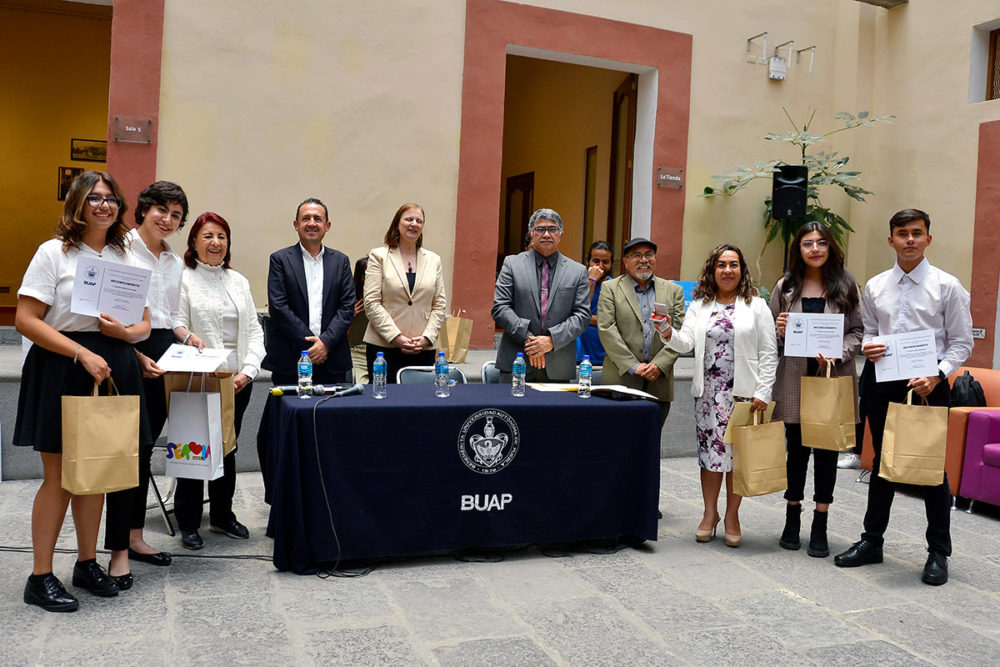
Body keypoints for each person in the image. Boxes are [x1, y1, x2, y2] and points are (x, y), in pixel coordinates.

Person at [15, 170, 153, 611]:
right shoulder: (53, 253)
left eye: (111, 198)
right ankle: (40, 577)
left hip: (113, 367)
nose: (103, 205)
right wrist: (81, 353)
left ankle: (87, 562)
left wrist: (128, 337)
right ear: (77, 202)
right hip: (64, 367)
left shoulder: (126, 255)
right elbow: (26, 319)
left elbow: (144, 324)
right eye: (93, 198)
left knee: (97, 473)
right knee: (60, 479)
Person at [834, 209, 973, 586]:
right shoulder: (877, 285)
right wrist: (870, 347)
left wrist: (937, 374)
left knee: (929, 468)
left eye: (917, 233)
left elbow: (961, 344)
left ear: (929, 239)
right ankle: (872, 542)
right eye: (902, 233)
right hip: (883, 383)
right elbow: (868, 334)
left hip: (929, 385)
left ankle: (938, 552)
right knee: (881, 463)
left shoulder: (947, 286)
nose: (909, 239)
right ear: (891, 239)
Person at [659, 244, 777, 547]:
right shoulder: (699, 304)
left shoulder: (757, 305)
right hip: (709, 395)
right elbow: (685, 344)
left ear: (742, 270)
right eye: (721, 265)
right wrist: (667, 331)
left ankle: (733, 515)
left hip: (743, 397)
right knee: (710, 458)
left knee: (738, 459)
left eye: (733, 265)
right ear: (713, 270)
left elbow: (768, 352)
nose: (727, 270)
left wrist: (763, 391)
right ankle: (709, 514)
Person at [107, 181, 189, 579]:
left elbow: (169, 317)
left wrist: (188, 337)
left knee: (145, 448)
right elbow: (107, 315)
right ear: (143, 209)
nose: (168, 220)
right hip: (124, 351)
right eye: (163, 210)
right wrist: (133, 355)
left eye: (176, 215)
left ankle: (135, 537)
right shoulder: (118, 249)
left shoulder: (174, 262)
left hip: (161, 353)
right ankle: (116, 551)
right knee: (125, 452)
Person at [173, 212, 265, 550]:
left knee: (228, 447)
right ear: (194, 242)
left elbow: (255, 331)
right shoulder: (183, 279)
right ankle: (188, 520)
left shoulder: (238, 281)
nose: (216, 243)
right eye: (208, 236)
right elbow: (177, 323)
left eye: (222, 237)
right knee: (193, 448)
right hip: (197, 378)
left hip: (236, 380)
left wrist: (248, 371)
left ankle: (223, 515)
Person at [770, 222, 863, 558]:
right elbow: (772, 336)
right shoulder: (786, 286)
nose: (815, 249)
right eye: (807, 243)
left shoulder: (846, 284)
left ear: (830, 247)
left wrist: (839, 352)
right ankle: (792, 517)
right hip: (795, 378)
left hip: (832, 377)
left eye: (821, 243)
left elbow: (858, 331)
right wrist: (780, 328)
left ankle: (820, 522)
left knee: (826, 453)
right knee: (795, 452)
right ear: (799, 249)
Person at [262, 197, 355, 385]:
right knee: (289, 413)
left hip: (332, 359)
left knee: (331, 413)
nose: (311, 223)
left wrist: (325, 343)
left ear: (327, 225)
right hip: (290, 359)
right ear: (296, 225)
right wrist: (311, 347)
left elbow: (347, 308)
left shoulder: (341, 261)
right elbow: (279, 307)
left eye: (317, 218)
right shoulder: (280, 259)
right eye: (306, 218)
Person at [492, 208, 591, 382]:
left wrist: (551, 340)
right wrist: (531, 341)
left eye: (552, 229)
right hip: (517, 361)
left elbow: (582, 316)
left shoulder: (577, 271)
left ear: (560, 233)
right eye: (540, 229)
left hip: (558, 365)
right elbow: (500, 308)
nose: (546, 234)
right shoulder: (512, 264)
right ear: (531, 233)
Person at [598, 237, 685, 426]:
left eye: (648, 255)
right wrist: (632, 365)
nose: (643, 260)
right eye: (636, 255)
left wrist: (659, 365)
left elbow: (680, 333)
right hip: (621, 380)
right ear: (626, 261)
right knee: (617, 440)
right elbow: (606, 328)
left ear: (655, 259)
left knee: (650, 442)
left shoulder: (674, 291)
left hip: (658, 382)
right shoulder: (611, 288)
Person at [363, 203, 447, 382]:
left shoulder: (434, 260)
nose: (414, 224)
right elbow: (371, 303)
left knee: (420, 404)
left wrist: (427, 337)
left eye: (419, 221)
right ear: (397, 224)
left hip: (422, 347)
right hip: (384, 348)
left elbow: (439, 304)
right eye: (409, 219)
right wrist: (396, 337)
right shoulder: (379, 256)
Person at [577, 240, 614, 365]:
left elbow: (614, 321)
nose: (601, 266)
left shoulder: (616, 286)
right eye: (596, 261)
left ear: (612, 263)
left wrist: (588, 319)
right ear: (588, 260)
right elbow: (579, 315)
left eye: (606, 262)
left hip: (606, 354)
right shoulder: (578, 283)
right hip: (580, 353)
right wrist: (591, 280)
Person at [348, 256, 369, 384]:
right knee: (362, 386)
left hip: (382, 353)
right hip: (357, 353)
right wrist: (350, 316)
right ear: (362, 277)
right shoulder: (351, 300)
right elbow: (340, 335)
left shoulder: (389, 297)